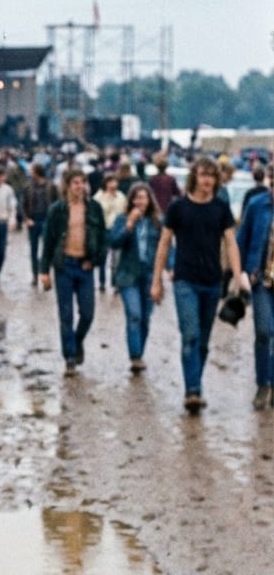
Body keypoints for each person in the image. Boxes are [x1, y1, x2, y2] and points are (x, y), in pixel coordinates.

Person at [150, 156, 246, 414]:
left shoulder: (220, 208)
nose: (208, 181)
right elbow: (164, 243)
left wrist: (238, 277)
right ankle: (192, 390)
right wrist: (156, 279)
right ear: (195, 177)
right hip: (185, 280)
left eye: (212, 176)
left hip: (212, 281)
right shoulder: (178, 208)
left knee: (203, 342)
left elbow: (231, 242)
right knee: (190, 335)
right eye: (204, 175)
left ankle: (195, 384)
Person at [39, 168, 107, 374]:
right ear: (67, 186)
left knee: (87, 313)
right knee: (66, 314)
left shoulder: (94, 208)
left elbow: (103, 240)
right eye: (75, 182)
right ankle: (69, 357)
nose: (80, 186)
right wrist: (44, 271)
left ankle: (77, 341)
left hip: (85, 267)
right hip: (64, 266)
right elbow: (49, 241)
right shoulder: (57, 210)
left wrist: (94, 261)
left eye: (83, 182)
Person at [108, 182, 162, 373]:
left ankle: (140, 352)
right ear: (131, 200)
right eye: (137, 197)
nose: (140, 201)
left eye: (144, 197)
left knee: (146, 318)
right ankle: (135, 356)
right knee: (134, 314)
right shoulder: (122, 219)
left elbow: (166, 247)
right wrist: (129, 225)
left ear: (149, 200)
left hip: (149, 276)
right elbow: (113, 243)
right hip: (128, 275)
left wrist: (171, 268)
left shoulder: (157, 221)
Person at [236, 168, 274, 409]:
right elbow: (241, 239)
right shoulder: (257, 205)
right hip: (260, 279)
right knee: (263, 331)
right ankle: (263, 384)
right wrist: (239, 272)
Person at [21, 163, 56, 286]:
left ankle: (45, 272)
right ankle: (35, 275)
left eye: (31, 170)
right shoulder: (28, 187)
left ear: (37, 172)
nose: (30, 173)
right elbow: (23, 204)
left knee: (47, 249)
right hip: (33, 220)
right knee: (33, 250)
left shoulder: (51, 186)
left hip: (47, 219)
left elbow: (57, 203)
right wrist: (26, 219)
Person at [92, 173, 126, 291]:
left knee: (116, 258)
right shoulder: (99, 196)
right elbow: (95, 212)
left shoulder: (121, 196)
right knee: (103, 257)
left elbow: (124, 212)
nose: (113, 184)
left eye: (115, 182)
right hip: (104, 229)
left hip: (117, 230)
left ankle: (115, 282)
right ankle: (102, 282)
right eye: (111, 182)